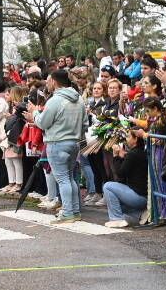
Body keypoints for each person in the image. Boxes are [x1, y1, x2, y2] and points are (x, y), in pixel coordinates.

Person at [32, 69, 87, 223]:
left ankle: (68, 212)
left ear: (54, 82)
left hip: (57, 142)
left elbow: (43, 122)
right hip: (74, 142)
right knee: (70, 178)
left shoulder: (55, 100)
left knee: (63, 179)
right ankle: (75, 210)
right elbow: (85, 123)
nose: (47, 83)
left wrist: (35, 114)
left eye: (49, 81)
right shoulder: (79, 99)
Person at [100, 128, 149, 228]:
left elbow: (120, 174)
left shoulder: (133, 154)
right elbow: (122, 178)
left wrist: (116, 156)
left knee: (108, 186)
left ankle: (116, 219)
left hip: (138, 197)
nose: (126, 139)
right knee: (113, 201)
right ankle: (139, 214)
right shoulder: (140, 152)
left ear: (135, 139)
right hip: (143, 197)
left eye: (128, 136)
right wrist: (121, 158)